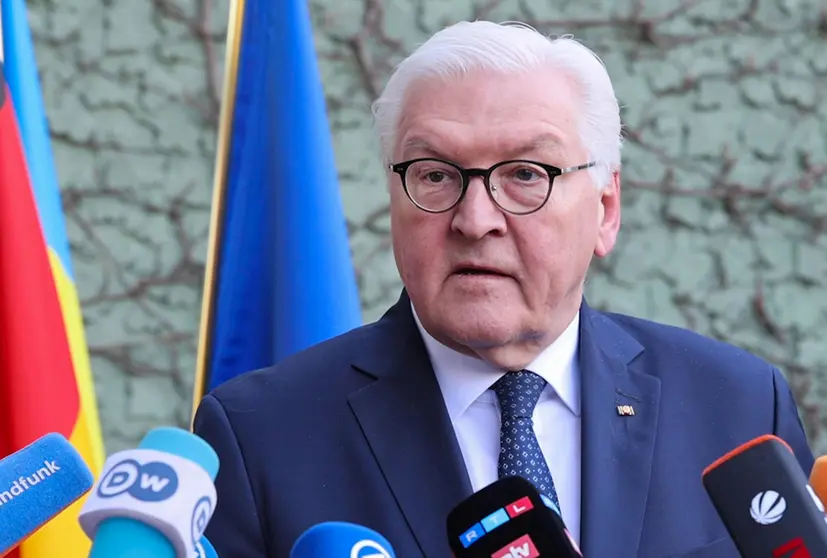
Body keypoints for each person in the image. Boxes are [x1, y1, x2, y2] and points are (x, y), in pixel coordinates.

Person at [193, 20, 814, 558]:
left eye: (525, 174)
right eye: (435, 175)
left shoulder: (738, 406)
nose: (475, 219)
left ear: (605, 209)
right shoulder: (261, 434)